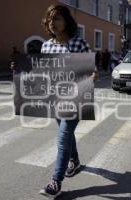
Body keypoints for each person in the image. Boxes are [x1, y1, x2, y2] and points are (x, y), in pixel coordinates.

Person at [38, 5, 97, 198]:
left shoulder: (78, 43)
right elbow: (42, 74)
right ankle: (76, 162)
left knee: (63, 137)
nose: (52, 23)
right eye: (49, 19)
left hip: (75, 98)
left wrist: (91, 76)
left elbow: (92, 70)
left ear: (66, 21)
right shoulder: (45, 46)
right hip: (55, 98)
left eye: (57, 19)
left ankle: (56, 181)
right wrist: (20, 69)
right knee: (67, 135)